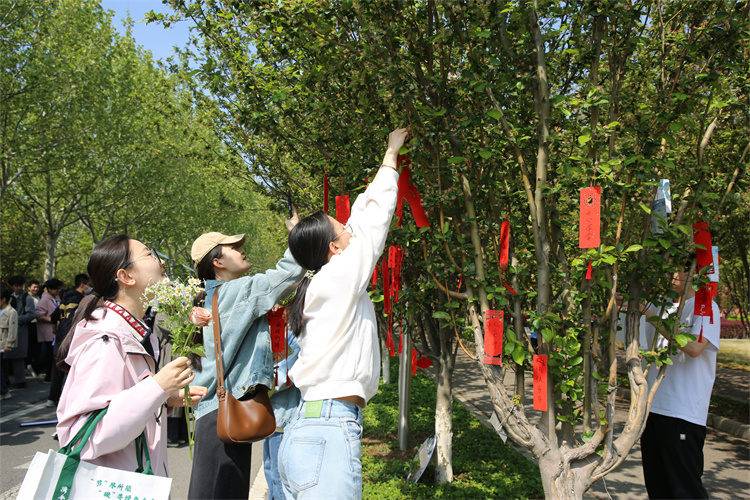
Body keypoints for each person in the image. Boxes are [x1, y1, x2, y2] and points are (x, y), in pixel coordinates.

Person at [278, 128, 409, 499]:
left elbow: (359, 222)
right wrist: (390, 156)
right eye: (342, 230)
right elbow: (373, 222)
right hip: (327, 431)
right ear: (334, 249)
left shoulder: (321, 284)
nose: (350, 230)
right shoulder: (337, 277)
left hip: (309, 428)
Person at [56, 235, 207, 477]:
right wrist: (156, 388)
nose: (161, 262)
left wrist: (164, 399)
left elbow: (119, 403)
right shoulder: (105, 340)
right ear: (126, 277)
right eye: (150, 254)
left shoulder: (135, 333)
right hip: (114, 485)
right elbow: (82, 437)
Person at [187, 222, 304, 500]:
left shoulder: (207, 300)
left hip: (213, 413)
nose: (242, 250)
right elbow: (288, 272)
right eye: (233, 247)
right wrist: (297, 233)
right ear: (217, 262)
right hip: (227, 412)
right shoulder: (238, 291)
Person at [619, 258, 720, 499]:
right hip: (653, 409)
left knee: (684, 489)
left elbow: (695, 348)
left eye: (675, 270)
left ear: (693, 273)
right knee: (658, 487)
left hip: (682, 412)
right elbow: (626, 339)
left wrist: (649, 314)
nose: (669, 275)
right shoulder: (660, 306)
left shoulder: (705, 306)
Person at [264, 317, 302, 500]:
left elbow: (281, 376)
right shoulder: (275, 332)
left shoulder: (295, 335)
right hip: (271, 417)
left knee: (279, 481)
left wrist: (256, 388)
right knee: (271, 473)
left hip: (284, 418)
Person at [46, 273, 91, 407]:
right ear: (82, 285)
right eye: (89, 285)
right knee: (72, 370)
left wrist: (55, 331)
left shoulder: (64, 299)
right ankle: (69, 402)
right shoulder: (82, 300)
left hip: (60, 337)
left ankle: (52, 398)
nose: (90, 288)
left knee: (57, 369)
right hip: (73, 337)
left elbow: (53, 317)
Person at [6, 275, 35, 388]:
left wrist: (16, 319)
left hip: (21, 330)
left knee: (19, 356)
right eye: (16, 286)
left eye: (20, 285)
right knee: (5, 355)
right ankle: (6, 380)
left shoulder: (27, 298)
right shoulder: (8, 297)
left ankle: (20, 380)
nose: (19, 288)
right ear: (11, 286)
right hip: (7, 330)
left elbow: (31, 314)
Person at [36, 278, 63, 382]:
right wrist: (52, 320)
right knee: (49, 355)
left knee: (53, 355)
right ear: (50, 289)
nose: (58, 291)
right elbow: (39, 315)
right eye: (56, 289)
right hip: (48, 331)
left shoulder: (57, 298)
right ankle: (48, 375)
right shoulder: (44, 300)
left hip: (56, 330)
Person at [0, 287, 19, 399]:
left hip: (2, 344)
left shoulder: (11, 312)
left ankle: (4, 391)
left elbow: (12, 330)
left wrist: (8, 344)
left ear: (3, 299)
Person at [26, 279, 41, 378]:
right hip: (29, 324)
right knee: (29, 346)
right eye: (34, 287)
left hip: (38, 325)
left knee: (35, 347)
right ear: (29, 288)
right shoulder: (27, 298)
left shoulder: (38, 298)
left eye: (37, 287)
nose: (36, 289)